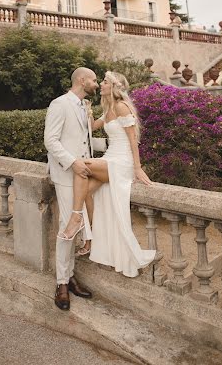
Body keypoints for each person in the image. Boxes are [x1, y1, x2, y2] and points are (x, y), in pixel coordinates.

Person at [60, 71, 156, 278]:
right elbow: (92, 128)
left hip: (121, 162)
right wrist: (87, 112)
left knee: (80, 165)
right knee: (85, 192)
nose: (100, 85)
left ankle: (76, 218)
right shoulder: (109, 109)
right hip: (109, 159)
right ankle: (92, 236)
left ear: (113, 86)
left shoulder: (121, 107)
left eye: (103, 82)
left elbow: (132, 141)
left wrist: (137, 168)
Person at [44, 67, 99, 311]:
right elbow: (50, 140)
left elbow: (85, 139)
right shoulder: (59, 104)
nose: (96, 84)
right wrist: (73, 162)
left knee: (79, 227)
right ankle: (61, 284)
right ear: (82, 80)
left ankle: (70, 276)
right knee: (69, 226)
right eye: (94, 80)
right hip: (67, 174)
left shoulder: (84, 105)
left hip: (85, 174)